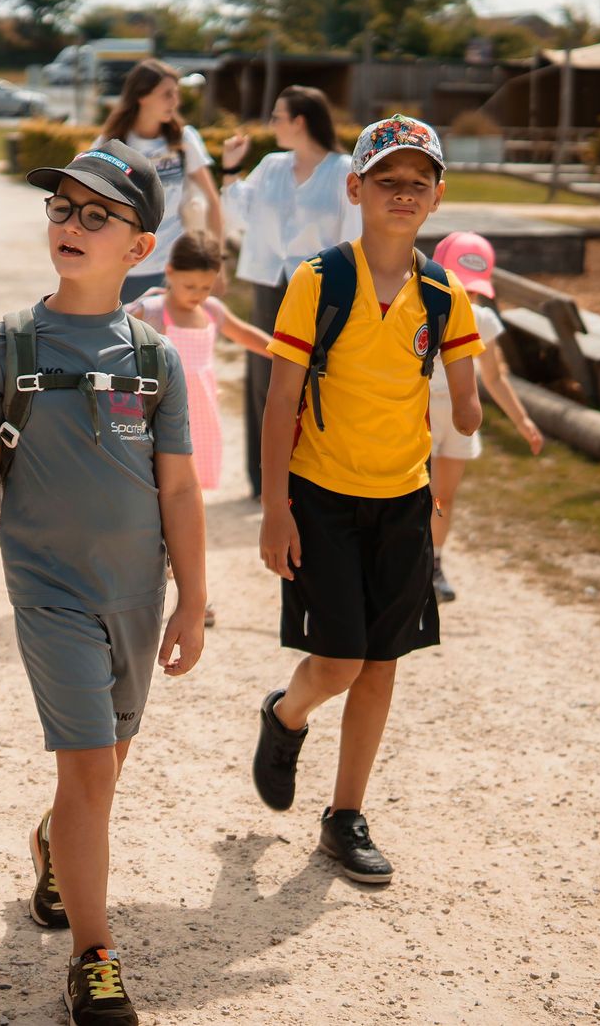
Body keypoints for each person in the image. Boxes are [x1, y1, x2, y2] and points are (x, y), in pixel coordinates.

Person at [0, 143, 206, 1025]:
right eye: (62, 207)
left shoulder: (156, 359)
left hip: (136, 592)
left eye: (98, 215)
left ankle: (55, 842)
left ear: (140, 247)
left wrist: (193, 600)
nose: (73, 224)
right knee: (92, 765)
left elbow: (181, 490)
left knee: (105, 763)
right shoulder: (6, 344)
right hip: (47, 588)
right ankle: (94, 957)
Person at [249, 116, 483, 886]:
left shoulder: (445, 294)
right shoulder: (320, 281)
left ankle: (345, 816)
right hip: (321, 497)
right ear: (355, 188)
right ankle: (286, 714)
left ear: (438, 196)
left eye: (419, 182)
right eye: (387, 180)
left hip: (404, 501)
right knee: (340, 660)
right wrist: (275, 507)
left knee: (381, 665)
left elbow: (465, 404)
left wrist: (469, 398)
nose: (403, 193)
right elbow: (280, 401)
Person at [128, 230, 273, 628]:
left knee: (186, 509)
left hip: (198, 423)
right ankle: (150, 586)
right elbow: (111, 334)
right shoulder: (150, 311)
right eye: (189, 285)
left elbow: (245, 335)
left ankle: (191, 594)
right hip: (155, 423)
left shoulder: (211, 311)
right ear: (170, 272)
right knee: (153, 506)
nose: (197, 294)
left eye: (206, 287)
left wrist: (288, 352)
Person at [218, 86, 358, 498]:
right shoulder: (271, 166)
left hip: (319, 286)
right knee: (264, 377)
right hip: (269, 281)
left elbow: (354, 234)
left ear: (299, 121)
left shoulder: (343, 170)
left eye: (277, 116)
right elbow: (235, 215)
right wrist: (230, 168)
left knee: (316, 380)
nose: (271, 124)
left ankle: (312, 476)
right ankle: (264, 480)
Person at [426, 231, 544, 604]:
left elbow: (494, 377)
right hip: (419, 414)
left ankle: (433, 564)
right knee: (412, 495)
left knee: (442, 498)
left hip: (459, 419)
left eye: (473, 290)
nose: (467, 297)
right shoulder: (417, 310)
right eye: (459, 286)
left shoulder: (482, 320)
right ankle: (402, 567)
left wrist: (522, 421)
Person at [94, 59, 223, 305]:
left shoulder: (184, 139)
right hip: (121, 269)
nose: (176, 102)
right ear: (141, 96)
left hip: (174, 269)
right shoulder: (110, 144)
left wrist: (218, 264)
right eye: (167, 94)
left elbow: (212, 200)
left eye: (176, 93)